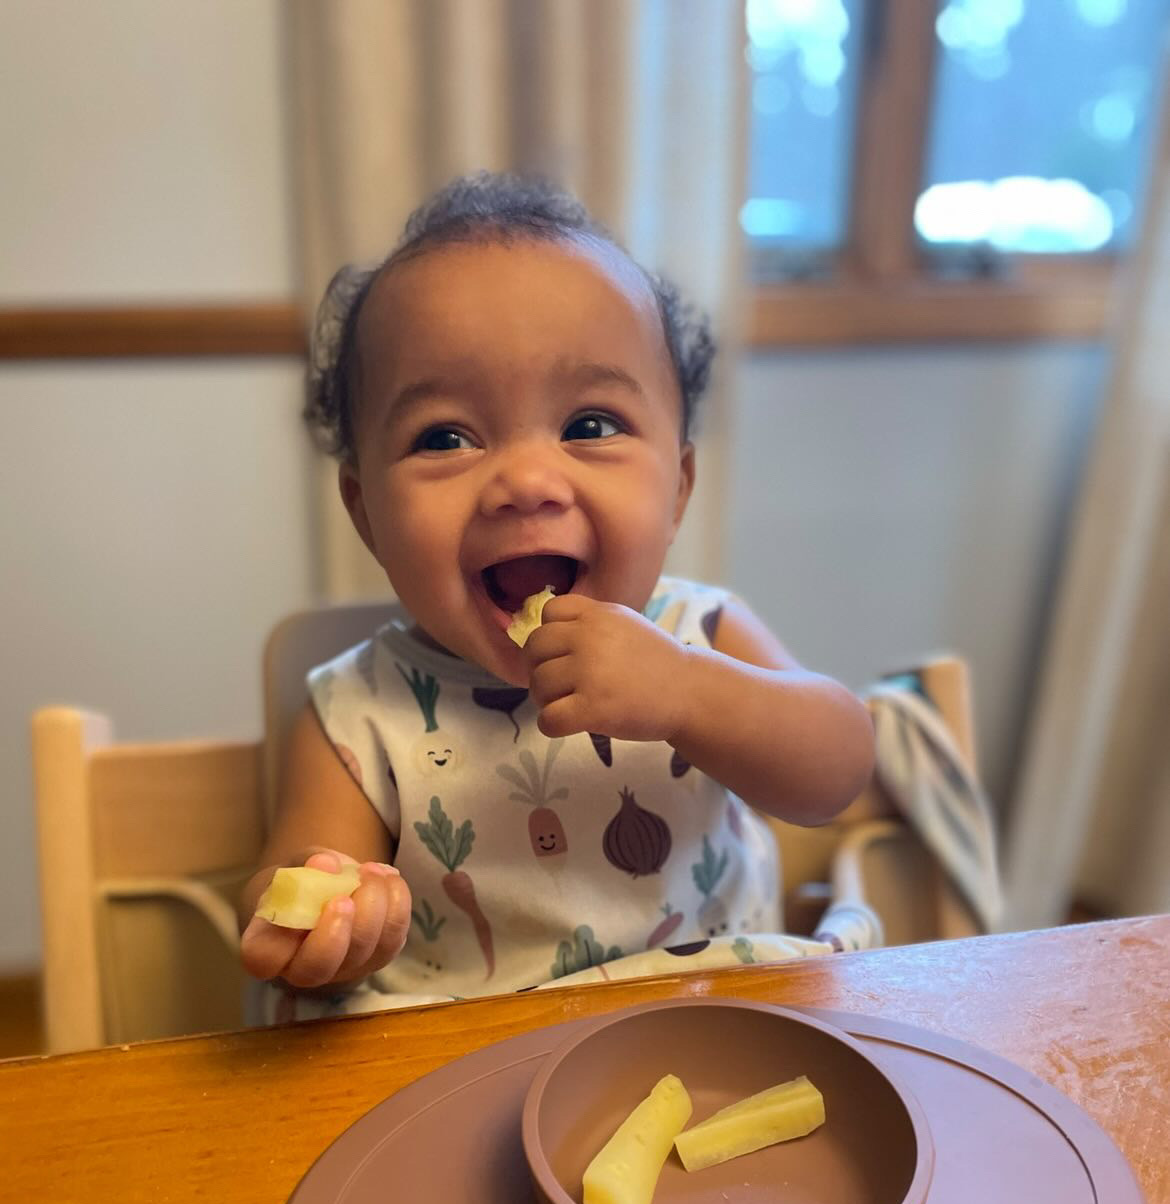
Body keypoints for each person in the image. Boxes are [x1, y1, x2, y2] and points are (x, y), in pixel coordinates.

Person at [238, 172, 875, 1016]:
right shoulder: (360, 709)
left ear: (677, 487)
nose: (528, 482)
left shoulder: (702, 629)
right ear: (367, 513)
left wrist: (688, 690)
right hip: (463, 1068)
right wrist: (323, 925)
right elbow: (288, 889)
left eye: (590, 425)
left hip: (722, 1021)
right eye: (445, 437)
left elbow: (838, 770)